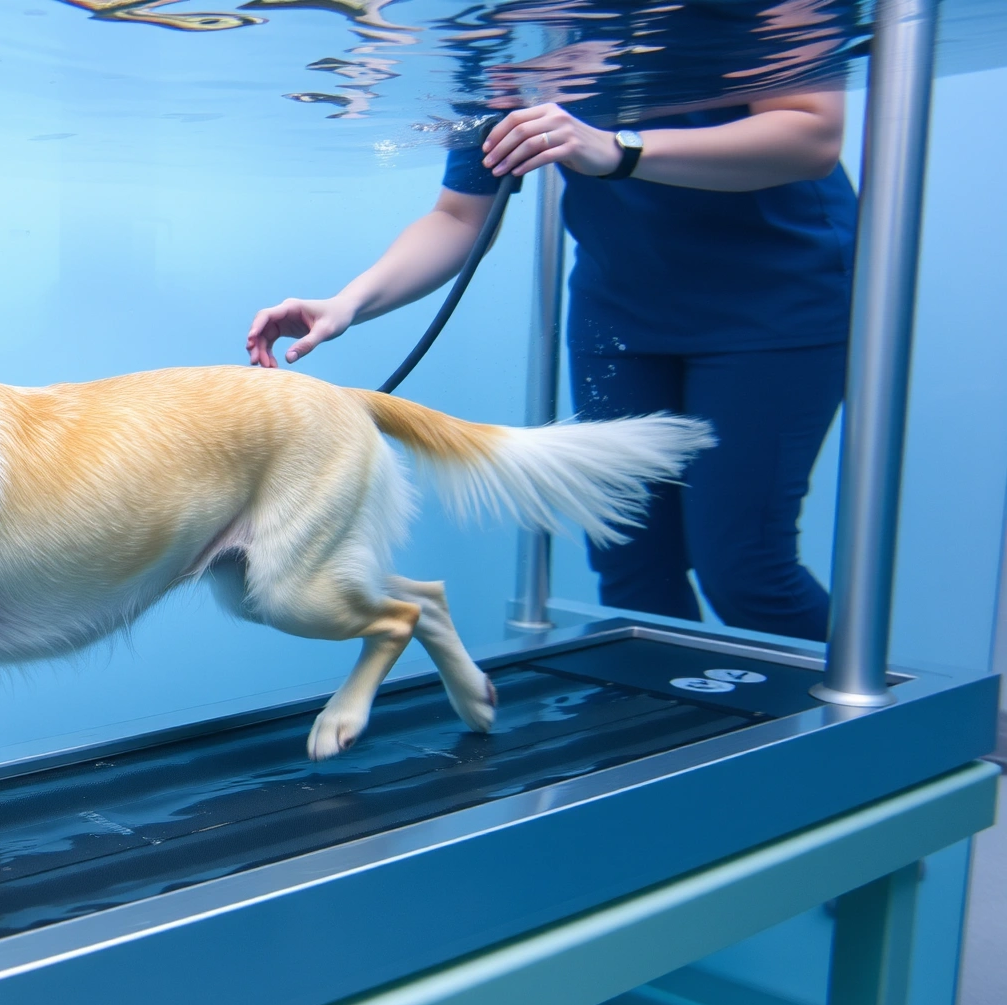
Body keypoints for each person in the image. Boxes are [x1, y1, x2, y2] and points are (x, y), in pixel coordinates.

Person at [246, 94, 856, 642]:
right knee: (630, 565)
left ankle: (857, 742)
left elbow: (813, 136)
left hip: (777, 296)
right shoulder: (501, 38)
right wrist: (347, 302)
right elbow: (461, 215)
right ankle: (660, 752)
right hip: (621, 310)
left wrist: (615, 150)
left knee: (745, 570)